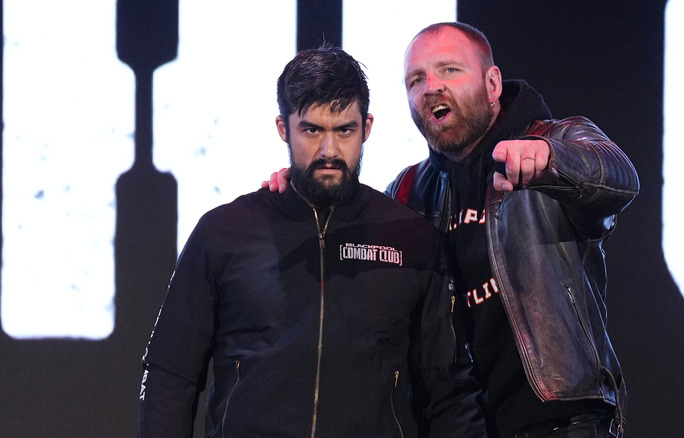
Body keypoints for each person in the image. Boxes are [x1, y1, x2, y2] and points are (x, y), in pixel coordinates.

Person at [267, 22, 639, 438]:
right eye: (416, 79)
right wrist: (304, 190)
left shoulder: (552, 139)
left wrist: (552, 160)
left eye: (449, 70)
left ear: (492, 83)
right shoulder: (410, 191)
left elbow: (618, 177)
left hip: (560, 422)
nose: (430, 87)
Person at [137, 45, 485, 438]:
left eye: (344, 130)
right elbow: (171, 376)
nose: (329, 151)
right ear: (284, 128)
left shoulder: (412, 239)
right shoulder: (224, 233)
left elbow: (448, 393)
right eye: (312, 130)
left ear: (366, 127)